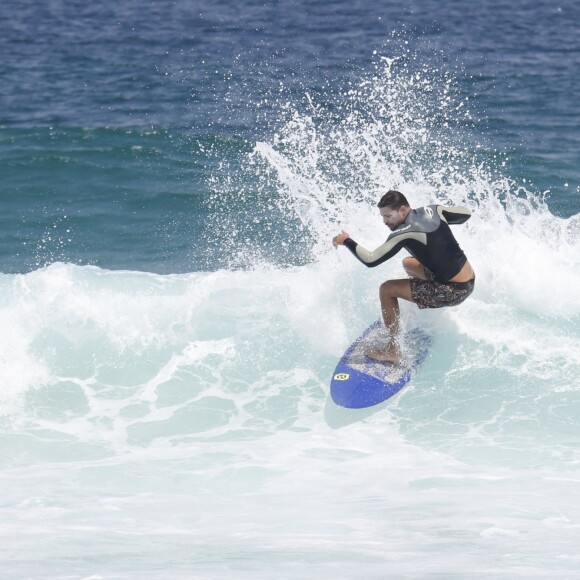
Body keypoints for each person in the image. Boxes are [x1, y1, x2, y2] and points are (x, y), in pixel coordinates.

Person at [332, 190, 475, 364]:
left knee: (387, 289)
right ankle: (419, 301)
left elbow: (371, 260)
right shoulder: (433, 210)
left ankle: (393, 351)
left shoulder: (404, 233)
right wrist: (441, 223)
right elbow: (466, 214)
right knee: (408, 263)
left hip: (452, 291)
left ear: (402, 210)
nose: (385, 221)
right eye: (383, 217)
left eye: (388, 216)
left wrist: (346, 240)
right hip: (469, 280)